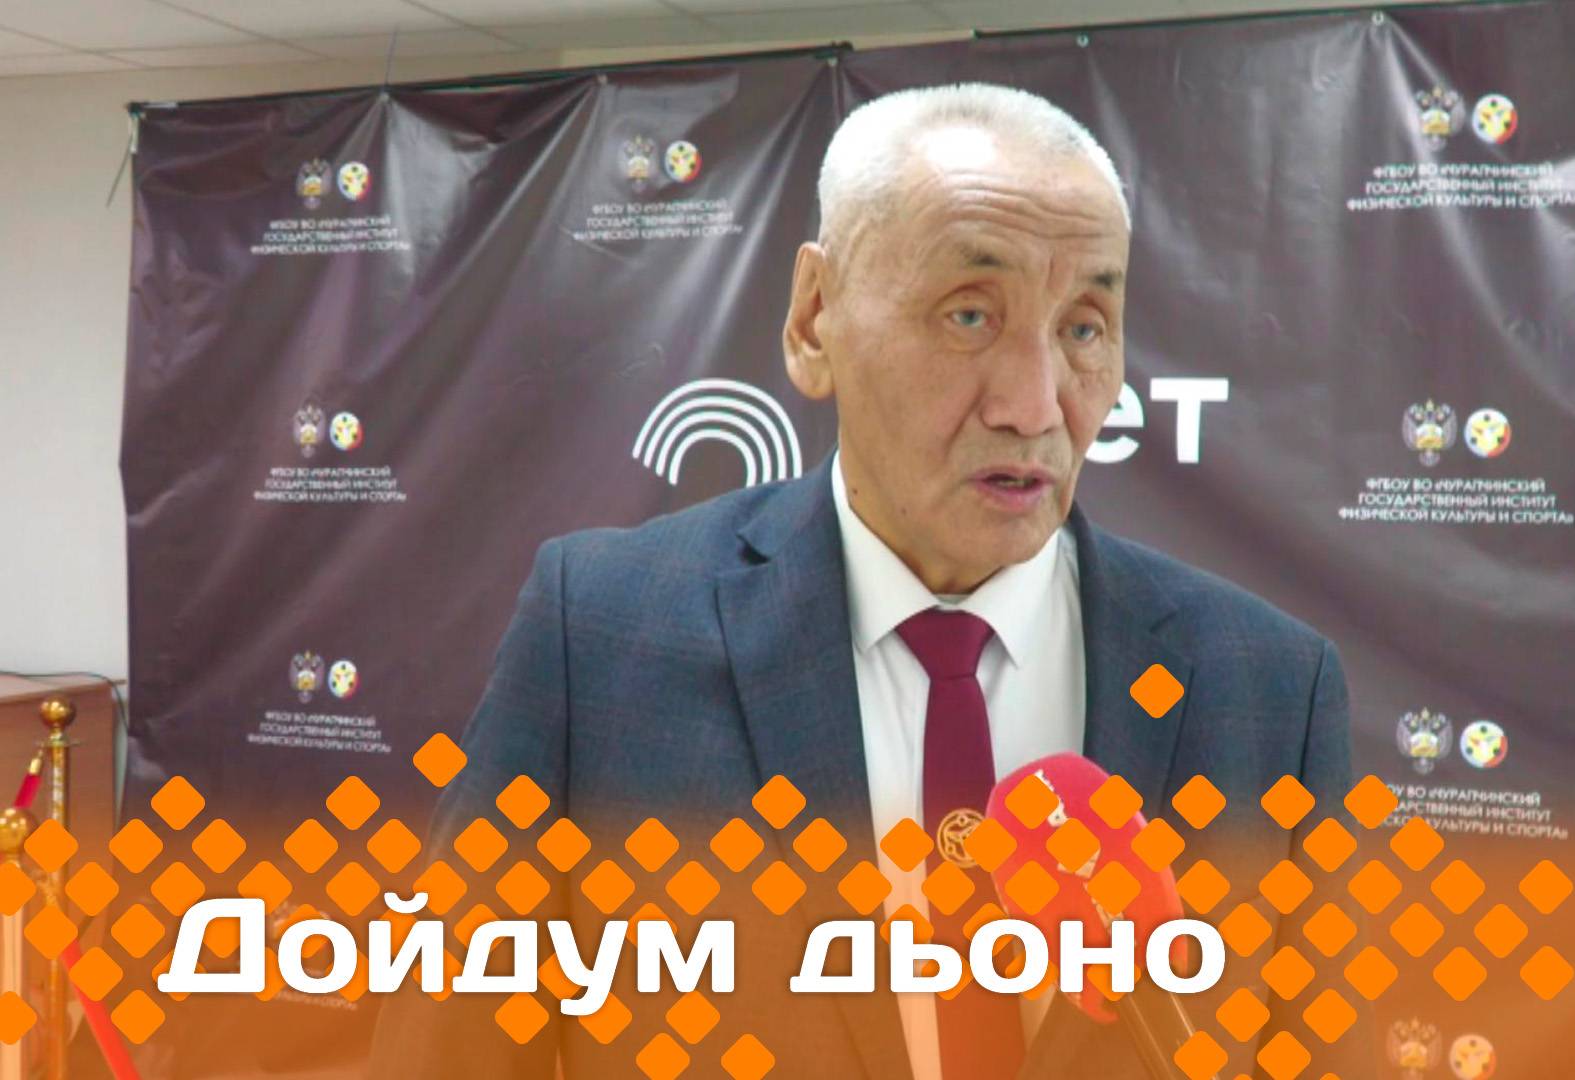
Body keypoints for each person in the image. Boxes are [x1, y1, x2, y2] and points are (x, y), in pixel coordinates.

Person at [369, 82, 1368, 1080]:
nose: (1034, 406)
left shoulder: (1270, 692)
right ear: (815, 320)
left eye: (1083, 327)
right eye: (969, 314)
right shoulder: (599, 638)